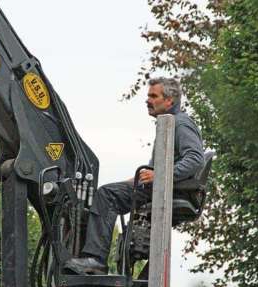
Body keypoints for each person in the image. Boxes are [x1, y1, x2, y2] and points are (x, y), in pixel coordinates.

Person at [64, 77, 205, 275]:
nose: (148, 100)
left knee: (107, 195)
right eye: (148, 96)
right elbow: (151, 170)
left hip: (165, 189)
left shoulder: (180, 124)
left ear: (169, 101)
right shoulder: (167, 125)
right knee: (108, 191)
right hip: (158, 186)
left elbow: (195, 158)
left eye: (153, 96)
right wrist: (131, 181)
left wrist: (160, 175)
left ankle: (95, 260)